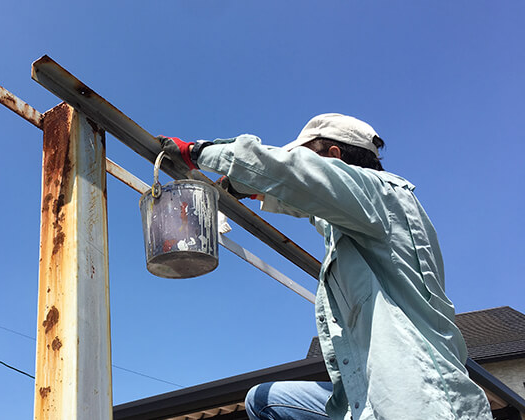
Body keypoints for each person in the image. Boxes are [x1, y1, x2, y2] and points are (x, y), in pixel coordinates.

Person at [158, 114, 492, 420]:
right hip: (370, 401)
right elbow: (307, 200)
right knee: (264, 399)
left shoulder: (386, 197)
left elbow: (297, 177)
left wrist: (201, 151)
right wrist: (249, 188)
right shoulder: (359, 219)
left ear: (333, 157)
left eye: (305, 157)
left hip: (420, 401)